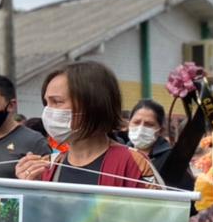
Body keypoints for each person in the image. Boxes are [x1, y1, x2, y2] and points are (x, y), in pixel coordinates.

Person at [15, 63, 156, 189]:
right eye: (46, 103)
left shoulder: (133, 163)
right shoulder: (48, 166)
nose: (47, 111)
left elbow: (160, 216)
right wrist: (30, 189)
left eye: (57, 102)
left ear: (92, 104)